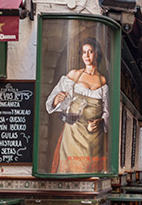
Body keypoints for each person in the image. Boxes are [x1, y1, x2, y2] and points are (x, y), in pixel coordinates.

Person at [46, 37, 109, 173]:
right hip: (73, 133)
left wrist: (101, 120)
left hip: (93, 136)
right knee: (68, 169)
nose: (86, 56)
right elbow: (51, 102)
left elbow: (107, 110)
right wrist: (57, 99)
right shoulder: (73, 75)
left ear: (97, 54)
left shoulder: (102, 81)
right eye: (84, 52)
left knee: (89, 172)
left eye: (90, 52)